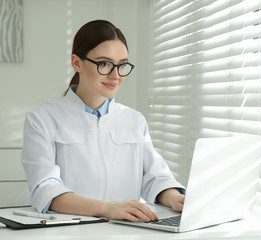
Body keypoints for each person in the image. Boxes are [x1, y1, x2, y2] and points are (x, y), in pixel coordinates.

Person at [20, 19, 185, 222]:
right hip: (71, 232)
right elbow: (45, 189)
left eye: (122, 65)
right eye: (104, 64)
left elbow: (155, 178)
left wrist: (175, 198)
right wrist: (108, 209)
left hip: (128, 231)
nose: (115, 75)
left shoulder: (134, 120)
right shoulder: (42, 119)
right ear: (77, 63)